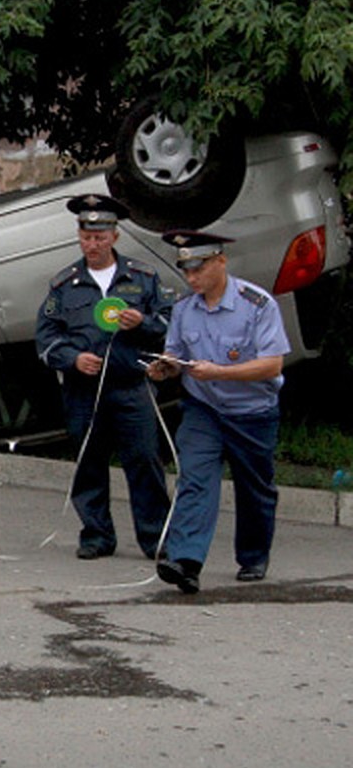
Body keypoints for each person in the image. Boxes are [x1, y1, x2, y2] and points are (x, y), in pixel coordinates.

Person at [147, 231, 290, 594]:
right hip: (204, 408)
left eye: (199, 269)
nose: (192, 278)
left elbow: (272, 365)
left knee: (255, 488)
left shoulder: (257, 305)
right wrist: (166, 368)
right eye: (186, 270)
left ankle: (254, 556)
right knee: (194, 477)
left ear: (220, 261)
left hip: (252, 411)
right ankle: (186, 561)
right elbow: (176, 353)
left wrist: (220, 372)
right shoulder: (183, 309)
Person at [35, 194, 174, 560]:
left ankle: (155, 537)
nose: (91, 245)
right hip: (84, 390)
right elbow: (46, 338)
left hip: (133, 386)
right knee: (89, 463)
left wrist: (142, 322)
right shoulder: (65, 284)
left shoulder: (142, 278)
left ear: (114, 236)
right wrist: (72, 359)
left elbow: (171, 326)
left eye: (99, 237)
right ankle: (96, 535)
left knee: (144, 461)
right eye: (85, 237)